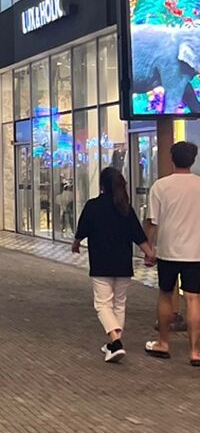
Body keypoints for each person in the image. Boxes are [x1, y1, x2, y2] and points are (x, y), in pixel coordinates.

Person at [72, 167, 155, 362]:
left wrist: (76, 243)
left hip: (101, 263)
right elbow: (138, 235)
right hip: (123, 263)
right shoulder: (125, 208)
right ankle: (114, 343)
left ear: (102, 185)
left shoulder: (93, 206)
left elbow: (82, 229)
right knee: (119, 304)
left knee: (102, 304)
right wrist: (150, 254)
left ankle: (115, 342)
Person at [144, 139, 200, 364]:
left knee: (166, 295)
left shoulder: (160, 186)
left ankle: (163, 343)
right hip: (196, 252)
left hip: (167, 251)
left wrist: (148, 249)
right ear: (193, 160)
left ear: (171, 159)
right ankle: (194, 351)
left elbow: (152, 221)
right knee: (194, 299)